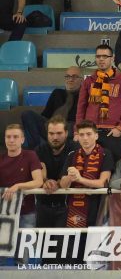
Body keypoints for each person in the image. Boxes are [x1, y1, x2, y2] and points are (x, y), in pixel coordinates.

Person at [76, 44, 121, 163]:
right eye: (98, 56)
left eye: (105, 56)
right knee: (88, 166)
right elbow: (81, 108)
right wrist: (77, 131)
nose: (101, 59)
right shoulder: (88, 81)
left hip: (112, 132)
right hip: (90, 132)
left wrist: (120, 128)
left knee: (112, 166)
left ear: (112, 58)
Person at [0, 124, 43, 262]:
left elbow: (38, 181)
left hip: (26, 212)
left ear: (22, 139)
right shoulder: (1, 159)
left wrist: (18, 186)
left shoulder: (31, 155)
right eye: (8, 137)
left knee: (23, 257)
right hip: (4, 213)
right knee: (1, 255)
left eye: (15, 137)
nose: (11, 140)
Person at [59, 120, 113, 229]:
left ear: (96, 136)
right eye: (81, 135)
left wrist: (80, 179)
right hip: (73, 207)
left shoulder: (105, 153)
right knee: (74, 238)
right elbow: (63, 185)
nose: (85, 138)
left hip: (97, 206)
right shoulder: (72, 155)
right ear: (78, 137)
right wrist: (70, 177)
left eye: (88, 134)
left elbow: (102, 183)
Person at [21, 66, 81, 149]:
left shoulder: (84, 95)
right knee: (27, 114)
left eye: (74, 77)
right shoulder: (57, 93)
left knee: (73, 126)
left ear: (81, 80)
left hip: (70, 128)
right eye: (68, 76)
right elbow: (45, 115)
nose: (70, 79)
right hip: (51, 125)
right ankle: (37, 149)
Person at [35, 116, 75, 229]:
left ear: (66, 133)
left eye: (59, 133)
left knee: (61, 241)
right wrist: (46, 181)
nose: (55, 137)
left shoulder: (75, 149)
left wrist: (57, 183)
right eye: (51, 133)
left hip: (67, 206)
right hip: (43, 206)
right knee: (42, 240)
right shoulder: (39, 150)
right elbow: (40, 172)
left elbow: (69, 174)